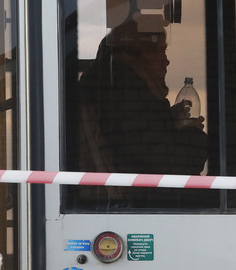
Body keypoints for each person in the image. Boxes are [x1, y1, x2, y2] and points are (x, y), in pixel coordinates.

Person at [75, 16, 208, 176]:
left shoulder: (117, 90)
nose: (166, 61)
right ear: (139, 55)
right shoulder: (127, 94)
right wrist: (192, 134)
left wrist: (169, 121)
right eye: (161, 50)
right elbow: (167, 162)